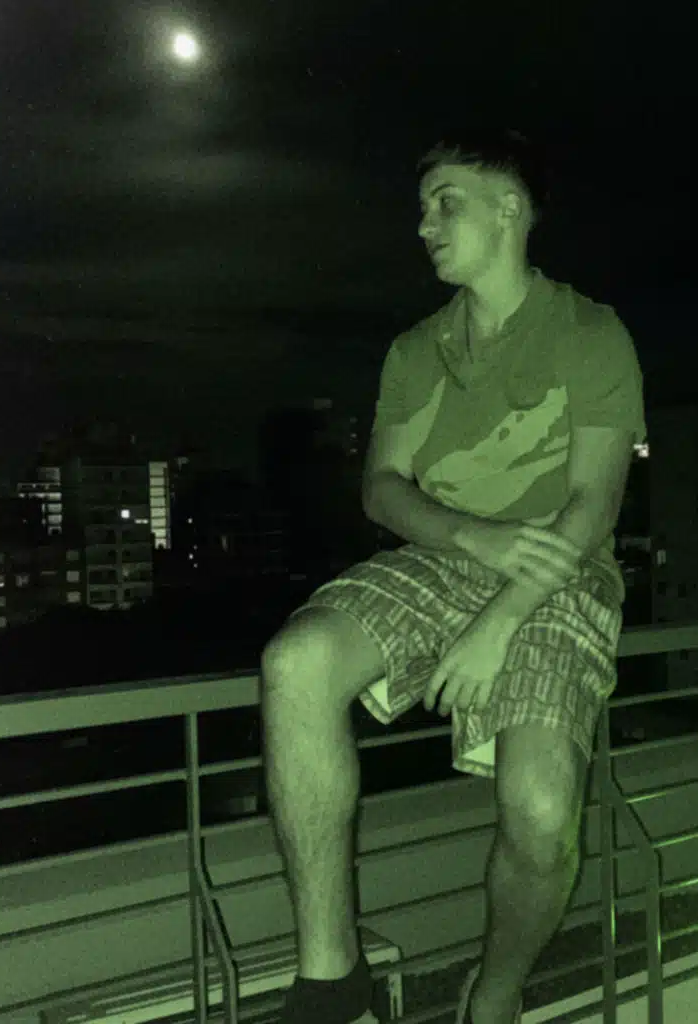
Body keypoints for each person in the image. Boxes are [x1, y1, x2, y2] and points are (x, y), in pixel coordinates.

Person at [263, 127, 646, 1024]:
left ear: (509, 208)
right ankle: (332, 977)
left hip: (559, 574)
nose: (425, 226)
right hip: (447, 556)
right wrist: (475, 539)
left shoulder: (591, 333)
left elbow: (592, 507)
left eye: (446, 203)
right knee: (296, 663)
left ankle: (496, 992)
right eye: (422, 208)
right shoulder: (414, 351)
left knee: (541, 813)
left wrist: (499, 622)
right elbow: (382, 489)